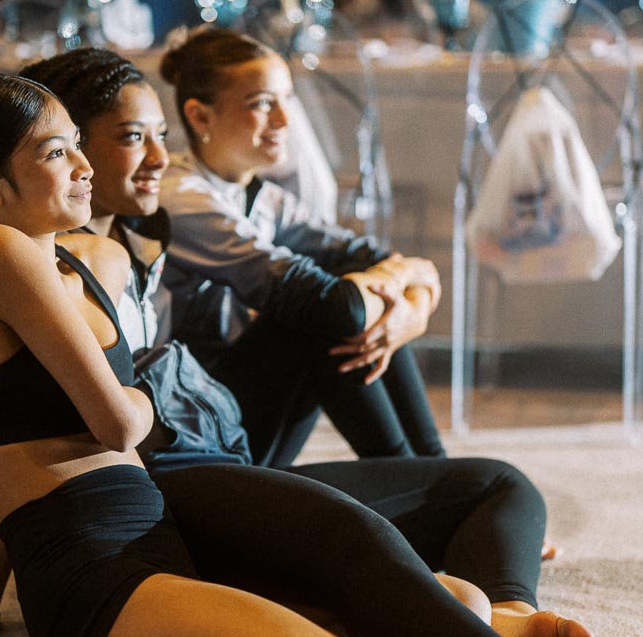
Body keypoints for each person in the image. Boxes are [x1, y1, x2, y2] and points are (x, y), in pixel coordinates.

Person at [0, 72, 643, 637]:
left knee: (455, 605)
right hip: (98, 572)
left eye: (77, 146)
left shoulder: (56, 261)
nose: (84, 166)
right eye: (57, 153)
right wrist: (151, 390)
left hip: (151, 542)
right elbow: (117, 428)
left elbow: (13, 453)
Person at [20, 47, 562, 637]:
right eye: (262, 103)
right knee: (322, 335)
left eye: (159, 138)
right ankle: (483, 616)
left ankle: (506, 610)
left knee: (501, 488)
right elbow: (330, 309)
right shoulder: (145, 218)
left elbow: (362, 261)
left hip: (218, 441)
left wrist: (407, 297)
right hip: (184, 473)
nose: (157, 159)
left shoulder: (138, 230)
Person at [155, 25, 448, 467]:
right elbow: (335, 307)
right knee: (320, 314)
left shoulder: (264, 197)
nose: (285, 121)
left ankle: (442, 479)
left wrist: (410, 311)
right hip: (193, 429)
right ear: (199, 116)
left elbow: (384, 261)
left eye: (286, 99)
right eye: (261, 104)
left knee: (351, 302)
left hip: (239, 410)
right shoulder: (181, 198)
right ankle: (430, 489)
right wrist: (399, 285)